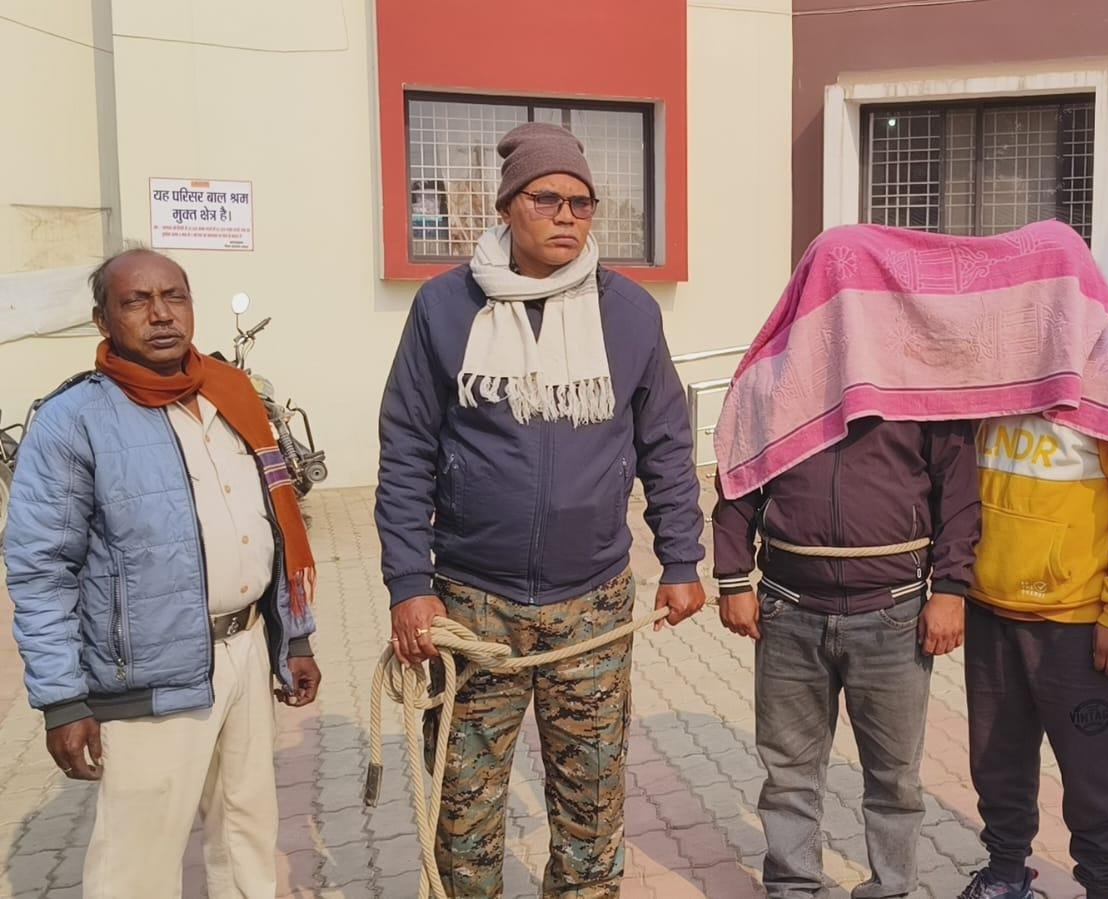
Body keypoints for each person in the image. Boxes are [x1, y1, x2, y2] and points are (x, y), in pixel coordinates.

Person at [713, 219, 1108, 899]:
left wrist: (954, 590)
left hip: (983, 618)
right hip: (812, 609)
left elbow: (965, 497)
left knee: (1056, 770)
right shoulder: (785, 378)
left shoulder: (1083, 380)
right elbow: (740, 478)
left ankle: (1091, 883)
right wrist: (731, 575)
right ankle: (818, 884)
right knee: (969, 763)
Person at [376, 121, 707, 898]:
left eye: (582, 203)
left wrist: (682, 558)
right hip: (472, 604)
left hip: (592, 604)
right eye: (546, 198)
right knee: (462, 812)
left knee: (591, 806)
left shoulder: (629, 313)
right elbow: (406, 447)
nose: (566, 216)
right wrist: (407, 583)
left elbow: (665, 441)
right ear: (506, 207)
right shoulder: (444, 307)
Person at [4, 248, 321, 898]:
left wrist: (297, 637)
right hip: (148, 677)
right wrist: (63, 700)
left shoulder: (233, 394)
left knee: (247, 837)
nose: (160, 314)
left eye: (174, 296)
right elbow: (41, 571)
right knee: (137, 866)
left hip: (246, 650)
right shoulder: (74, 420)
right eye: (136, 301)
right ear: (103, 320)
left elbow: (275, 525)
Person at [714, 414, 977, 898]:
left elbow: (958, 488)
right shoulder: (775, 381)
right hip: (788, 609)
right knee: (788, 773)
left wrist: (951, 588)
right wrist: (732, 576)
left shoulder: (920, 380)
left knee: (895, 778)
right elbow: (739, 468)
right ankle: (793, 887)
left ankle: (891, 888)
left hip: (894, 613)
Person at [959, 361, 1108, 899]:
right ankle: (1005, 874)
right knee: (996, 762)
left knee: (1092, 776)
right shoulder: (995, 360)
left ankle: (1102, 886)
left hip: (1076, 624)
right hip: (989, 610)